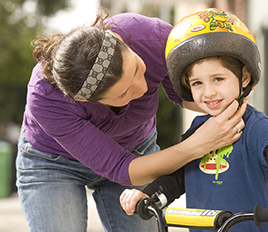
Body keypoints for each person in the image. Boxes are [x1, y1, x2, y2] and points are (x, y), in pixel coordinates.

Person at [15, 8, 247, 232]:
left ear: (120, 40)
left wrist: (231, 88)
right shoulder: (46, 98)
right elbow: (121, 168)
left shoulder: (150, 37)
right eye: (122, 94)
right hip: (54, 162)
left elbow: (188, 95)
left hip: (136, 147)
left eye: (137, 69)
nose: (143, 87)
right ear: (84, 100)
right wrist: (197, 145)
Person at [120, 8, 268, 232]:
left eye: (218, 79)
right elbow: (179, 177)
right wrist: (149, 195)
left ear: (244, 78)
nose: (208, 92)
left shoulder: (255, 127)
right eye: (197, 83)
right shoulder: (197, 131)